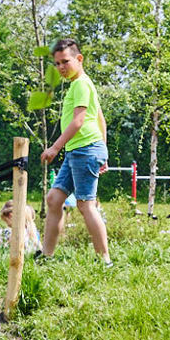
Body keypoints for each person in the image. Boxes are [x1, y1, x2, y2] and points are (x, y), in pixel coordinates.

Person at [38, 38, 111, 264]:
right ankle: (46, 255)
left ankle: (105, 261)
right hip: (78, 151)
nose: (61, 67)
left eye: (65, 62)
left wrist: (55, 147)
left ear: (79, 59)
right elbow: (100, 118)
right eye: (57, 63)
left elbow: (78, 121)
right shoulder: (81, 84)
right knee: (54, 199)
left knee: (85, 204)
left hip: (85, 150)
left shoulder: (81, 84)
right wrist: (104, 151)